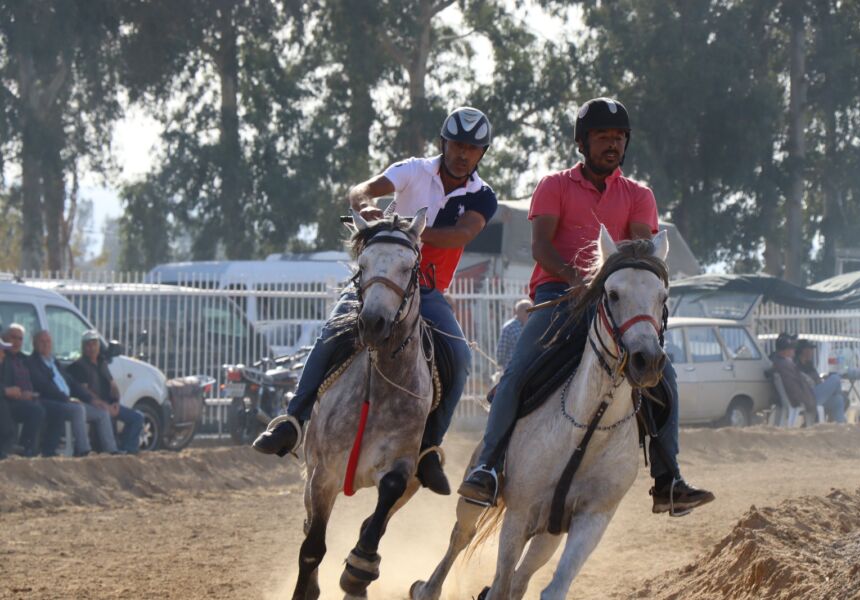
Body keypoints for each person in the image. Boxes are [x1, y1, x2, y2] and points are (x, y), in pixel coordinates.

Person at [458, 98, 714, 515]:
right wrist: (579, 282)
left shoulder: (639, 195)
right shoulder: (553, 186)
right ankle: (486, 468)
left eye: (618, 138)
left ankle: (668, 479)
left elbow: (638, 249)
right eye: (602, 137)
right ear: (582, 143)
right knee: (518, 372)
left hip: (613, 304)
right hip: (557, 296)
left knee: (662, 373)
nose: (612, 145)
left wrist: (614, 289)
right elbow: (541, 246)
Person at [254, 107, 498, 495]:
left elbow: (458, 235)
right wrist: (367, 207)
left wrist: (403, 230)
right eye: (456, 145)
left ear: (482, 153)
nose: (462, 154)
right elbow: (360, 190)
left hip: (428, 292)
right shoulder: (413, 169)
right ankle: (292, 421)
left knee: (461, 357)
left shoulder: (482, 196)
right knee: (331, 333)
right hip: (378, 282)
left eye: (472, 148)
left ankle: (429, 449)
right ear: (443, 143)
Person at [27, 329, 120, 455]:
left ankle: (111, 450)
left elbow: (73, 384)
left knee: (102, 412)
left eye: (48, 341)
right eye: (42, 341)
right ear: (34, 344)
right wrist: (66, 398)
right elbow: (44, 386)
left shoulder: (54, 362)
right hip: (52, 401)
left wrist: (92, 400)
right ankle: (84, 450)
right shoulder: (32, 363)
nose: (46, 344)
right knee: (78, 410)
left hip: (69, 401)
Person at [2, 325, 89, 457]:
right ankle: (26, 449)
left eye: (20, 339)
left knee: (58, 409)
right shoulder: (5, 359)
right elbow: (41, 383)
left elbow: (68, 382)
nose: (16, 342)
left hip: (31, 397)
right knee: (37, 410)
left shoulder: (23, 359)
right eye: (13, 337)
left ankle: (49, 451)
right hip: (9, 400)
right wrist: (15, 393)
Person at [68, 330, 144, 454]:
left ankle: (128, 450)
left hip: (108, 404)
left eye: (94, 344)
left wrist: (115, 402)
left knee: (137, 418)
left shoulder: (102, 363)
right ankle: (112, 451)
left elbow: (113, 385)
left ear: (99, 346)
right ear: (83, 347)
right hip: (94, 404)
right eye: (88, 344)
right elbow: (85, 391)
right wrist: (104, 405)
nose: (91, 348)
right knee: (103, 413)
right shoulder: (79, 366)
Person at [0, 336, 45, 458]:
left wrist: (16, 392)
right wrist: (5, 390)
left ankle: (25, 448)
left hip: (10, 399)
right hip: (5, 400)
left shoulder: (11, 361)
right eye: (1, 351)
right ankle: (5, 449)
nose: (3, 354)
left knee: (36, 409)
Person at [795, 339, 847, 423]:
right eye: (810, 349)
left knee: (838, 399)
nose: (812, 351)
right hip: (809, 396)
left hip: (815, 393)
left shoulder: (809, 364)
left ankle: (841, 426)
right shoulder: (797, 366)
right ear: (803, 350)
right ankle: (822, 420)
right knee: (835, 378)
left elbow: (817, 380)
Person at [771, 333, 818, 419]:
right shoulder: (786, 365)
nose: (794, 351)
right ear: (785, 351)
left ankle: (840, 426)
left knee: (837, 399)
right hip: (805, 399)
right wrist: (806, 402)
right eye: (792, 349)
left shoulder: (782, 363)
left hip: (804, 397)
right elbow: (794, 389)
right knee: (835, 380)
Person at [496, 299, 532, 370]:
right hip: (512, 369)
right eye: (529, 311)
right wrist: (500, 365)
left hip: (528, 368)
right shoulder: (509, 327)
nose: (531, 314)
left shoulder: (532, 326)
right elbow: (501, 351)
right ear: (522, 312)